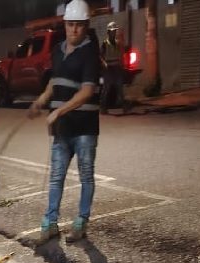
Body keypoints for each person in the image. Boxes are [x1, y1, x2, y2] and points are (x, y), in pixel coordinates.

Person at [28, 0, 101, 244]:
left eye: (79, 25)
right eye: (70, 25)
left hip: (85, 129)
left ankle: (80, 223)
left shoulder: (91, 53)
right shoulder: (57, 50)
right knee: (56, 177)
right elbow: (54, 82)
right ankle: (50, 223)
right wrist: (41, 100)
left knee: (86, 176)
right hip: (63, 130)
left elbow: (87, 91)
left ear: (86, 25)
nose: (74, 30)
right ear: (65, 24)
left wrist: (58, 112)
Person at [100, 21, 125, 114]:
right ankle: (103, 107)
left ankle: (124, 106)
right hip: (108, 68)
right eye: (112, 31)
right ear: (108, 32)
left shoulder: (118, 43)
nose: (113, 32)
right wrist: (104, 63)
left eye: (114, 31)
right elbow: (100, 55)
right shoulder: (105, 43)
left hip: (117, 67)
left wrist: (122, 65)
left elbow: (120, 55)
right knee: (107, 88)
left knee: (120, 87)